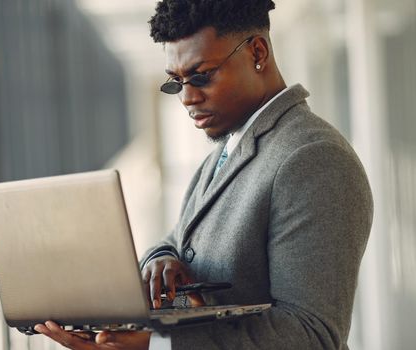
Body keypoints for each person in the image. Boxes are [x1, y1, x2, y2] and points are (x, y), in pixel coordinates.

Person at [35, 0, 374, 349]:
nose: (187, 97)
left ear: (258, 52)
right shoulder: (225, 153)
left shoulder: (313, 158)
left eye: (201, 75)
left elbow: (310, 335)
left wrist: (156, 344)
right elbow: (177, 243)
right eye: (176, 82)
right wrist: (160, 262)